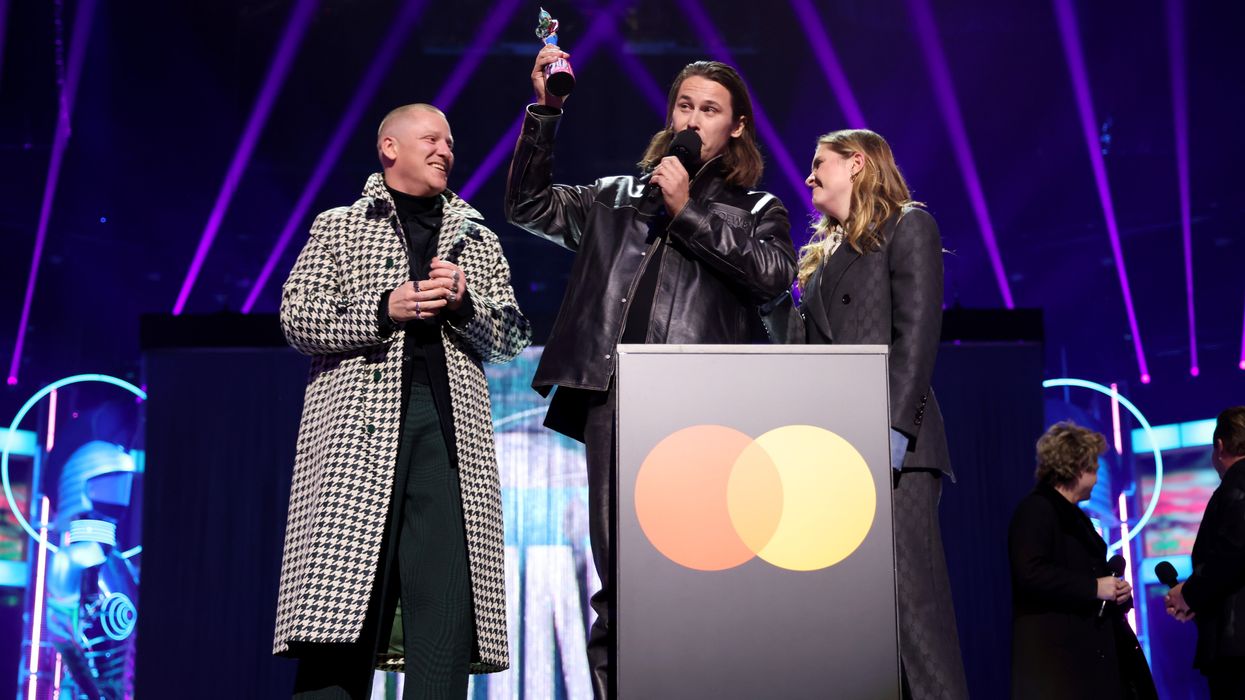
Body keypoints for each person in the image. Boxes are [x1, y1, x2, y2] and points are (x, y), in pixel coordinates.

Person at [505, 47, 797, 699]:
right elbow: (528, 206)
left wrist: (688, 210)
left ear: (736, 127)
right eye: (684, 105)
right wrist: (546, 112)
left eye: (710, 109)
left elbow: (774, 277)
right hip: (614, 400)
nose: (693, 118)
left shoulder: (757, 208)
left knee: (694, 571)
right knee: (619, 581)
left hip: (703, 410)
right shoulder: (615, 198)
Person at [272, 103, 531, 699]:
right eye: (432, 139)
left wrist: (467, 306)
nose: (446, 151)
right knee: (340, 611)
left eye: (450, 143)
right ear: (390, 147)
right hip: (357, 436)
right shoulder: (339, 226)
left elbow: (513, 337)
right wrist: (382, 310)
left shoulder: (476, 237)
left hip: (448, 430)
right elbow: (296, 318)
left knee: (444, 607)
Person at [772, 129, 967, 699]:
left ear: (857, 163)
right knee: (853, 622)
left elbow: (917, 338)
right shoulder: (818, 260)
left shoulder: (908, 226)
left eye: (820, 163)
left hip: (894, 451)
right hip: (832, 456)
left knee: (914, 612)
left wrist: (893, 435)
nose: (808, 176)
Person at [1009, 421, 1157, 699]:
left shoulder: (1078, 518)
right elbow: (1030, 573)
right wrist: (1095, 587)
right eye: (1094, 469)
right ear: (1076, 467)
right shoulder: (1036, 510)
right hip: (1058, 664)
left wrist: (1116, 593)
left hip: (1087, 659)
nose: (1098, 479)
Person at [1164, 406, 1245, 699]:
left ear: (1220, 447)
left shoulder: (1238, 483)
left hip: (1237, 645)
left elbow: (1233, 554)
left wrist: (1189, 594)